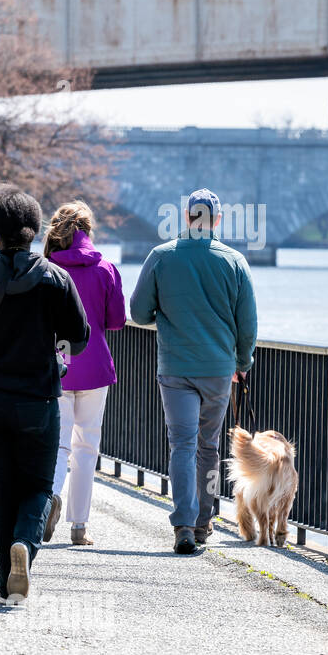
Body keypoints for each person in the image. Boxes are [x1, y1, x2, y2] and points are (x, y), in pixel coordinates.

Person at [0, 186, 89, 605]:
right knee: (40, 487)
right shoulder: (55, 278)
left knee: (3, 489)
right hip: (39, 400)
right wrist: (53, 348)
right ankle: (24, 547)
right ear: (34, 229)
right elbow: (79, 337)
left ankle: (2, 583)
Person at [129, 188, 257, 555]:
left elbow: (138, 313)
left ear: (186, 217)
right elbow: (247, 324)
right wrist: (242, 363)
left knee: (181, 445)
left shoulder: (161, 257)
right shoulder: (234, 261)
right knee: (209, 447)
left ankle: (183, 524)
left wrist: (165, 315)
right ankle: (205, 519)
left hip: (175, 367)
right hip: (218, 370)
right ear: (216, 220)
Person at [43, 201, 126, 546]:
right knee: (87, 447)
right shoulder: (105, 267)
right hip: (94, 367)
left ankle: (49, 498)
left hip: (57, 365)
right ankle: (79, 527)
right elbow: (116, 320)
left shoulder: (46, 268)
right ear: (88, 231)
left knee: (58, 445)